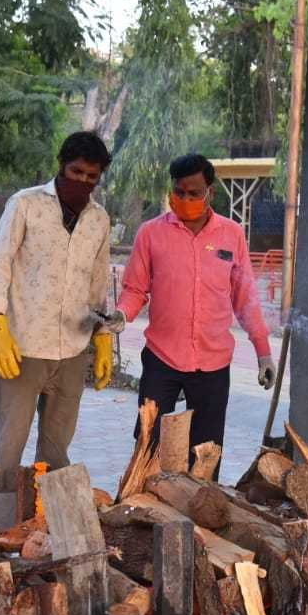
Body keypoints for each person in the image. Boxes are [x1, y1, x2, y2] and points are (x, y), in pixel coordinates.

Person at [0, 131, 115, 529]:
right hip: (21, 347)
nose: (83, 182)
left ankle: (48, 528)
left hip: (72, 350)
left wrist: (102, 338)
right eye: (77, 172)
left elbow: (97, 283)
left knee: (56, 450)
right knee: (9, 447)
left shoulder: (99, 220)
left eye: (92, 177)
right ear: (61, 165)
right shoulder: (25, 204)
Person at [112, 154, 275, 467]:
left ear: (210, 193)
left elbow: (246, 298)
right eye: (179, 192)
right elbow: (135, 289)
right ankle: (142, 509)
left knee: (206, 453)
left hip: (213, 363)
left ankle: (200, 512)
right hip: (162, 358)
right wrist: (121, 315)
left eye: (194, 193)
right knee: (148, 445)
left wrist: (264, 353)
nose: (185, 199)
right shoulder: (150, 233)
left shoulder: (232, 234)